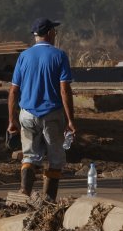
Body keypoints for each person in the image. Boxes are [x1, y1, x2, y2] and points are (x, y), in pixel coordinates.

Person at [8, 17, 76, 202]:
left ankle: (24, 193)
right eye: (54, 30)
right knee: (55, 159)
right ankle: (48, 200)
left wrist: (11, 120)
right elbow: (64, 89)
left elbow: (14, 90)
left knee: (29, 157)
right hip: (51, 114)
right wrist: (70, 120)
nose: (55, 33)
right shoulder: (59, 56)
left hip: (27, 114)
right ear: (49, 33)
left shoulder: (24, 56)